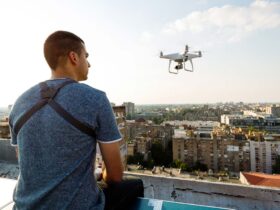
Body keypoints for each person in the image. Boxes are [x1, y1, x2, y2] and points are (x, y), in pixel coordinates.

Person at [9, 31, 143, 210]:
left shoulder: (19, 102)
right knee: (134, 184)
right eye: (86, 56)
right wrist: (96, 176)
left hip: (24, 206)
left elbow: (26, 163)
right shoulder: (95, 99)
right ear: (74, 57)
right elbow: (115, 175)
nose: (89, 63)